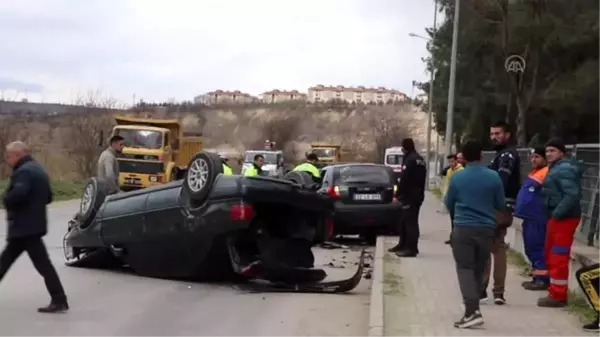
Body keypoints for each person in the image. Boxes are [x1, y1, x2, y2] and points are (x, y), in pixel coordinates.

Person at [0, 141, 69, 313]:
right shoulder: (38, 169)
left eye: (8, 156)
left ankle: (59, 299)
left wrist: (6, 198)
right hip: (32, 226)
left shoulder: (23, 172)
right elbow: (48, 198)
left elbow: (18, 194)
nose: (7, 160)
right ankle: (59, 298)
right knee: (7, 262)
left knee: (37, 265)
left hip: (24, 228)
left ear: (18, 154)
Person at [444, 140, 504, 329]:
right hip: (487, 229)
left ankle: (472, 312)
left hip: (464, 228)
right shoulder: (494, 177)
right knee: (478, 269)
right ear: (480, 156)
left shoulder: (458, 177)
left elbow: (448, 202)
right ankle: (473, 305)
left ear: (464, 157)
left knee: (465, 268)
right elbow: (500, 204)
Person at [538, 138, 583, 308]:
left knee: (558, 256)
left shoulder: (564, 169)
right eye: (547, 151)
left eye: (553, 151)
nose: (549, 154)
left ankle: (558, 296)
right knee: (552, 254)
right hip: (557, 218)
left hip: (564, 219)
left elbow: (572, 195)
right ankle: (555, 291)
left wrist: (557, 214)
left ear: (561, 153)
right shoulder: (557, 168)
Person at [482, 121, 521, 305]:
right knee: (497, 248)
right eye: (492, 134)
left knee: (486, 246)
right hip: (503, 208)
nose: (494, 137)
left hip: (498, 207)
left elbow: (500, 180)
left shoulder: (507, 155)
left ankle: (482, 290)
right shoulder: (501, 154)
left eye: (498, 133)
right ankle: (498, 292)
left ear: (507, 135)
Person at [514, 147, 549, 291]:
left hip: (537, 218)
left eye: (537, 157)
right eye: (532, 157)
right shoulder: (535, 172)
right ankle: (536, 277)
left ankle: (542, 280)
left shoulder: (546, 173)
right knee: (530, 248)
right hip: (529, 218)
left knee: (536, 248)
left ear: (545, 159)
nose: (534, 159)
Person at [388, 138, 427, 257]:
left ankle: (411, 248)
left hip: (410, 196)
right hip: (417, 194)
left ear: (404, 148)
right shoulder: (419, 159)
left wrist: (397, 194)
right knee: (404, 221)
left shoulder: (410, 159)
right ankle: (403, 244)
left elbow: (405, 179)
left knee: (410, 222)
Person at [442, 154, 464, 245]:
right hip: (452, 198)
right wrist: (446, 196)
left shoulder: (462, 170)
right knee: (452, 219)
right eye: (449, 162)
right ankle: (453, 238)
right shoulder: (449, 171)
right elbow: (447, 184)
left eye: (452, 161)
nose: (450, 163)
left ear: (456, 161)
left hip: (459, 198)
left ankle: (459, 238)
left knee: (458, 219)